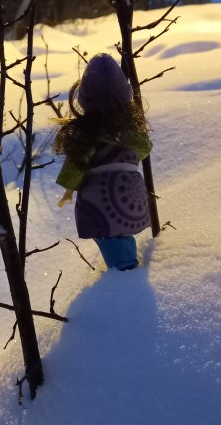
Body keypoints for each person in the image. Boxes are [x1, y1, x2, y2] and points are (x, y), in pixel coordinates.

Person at [54, 53, 152, 271]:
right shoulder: (131, 132)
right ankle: (126, 269)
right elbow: (145, 149)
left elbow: (77, 164)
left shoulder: (87, 135)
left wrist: (70, 187)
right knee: (120, 236)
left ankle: (125, 276)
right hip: (130, 193)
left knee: (110, 238)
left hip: (101, 198)